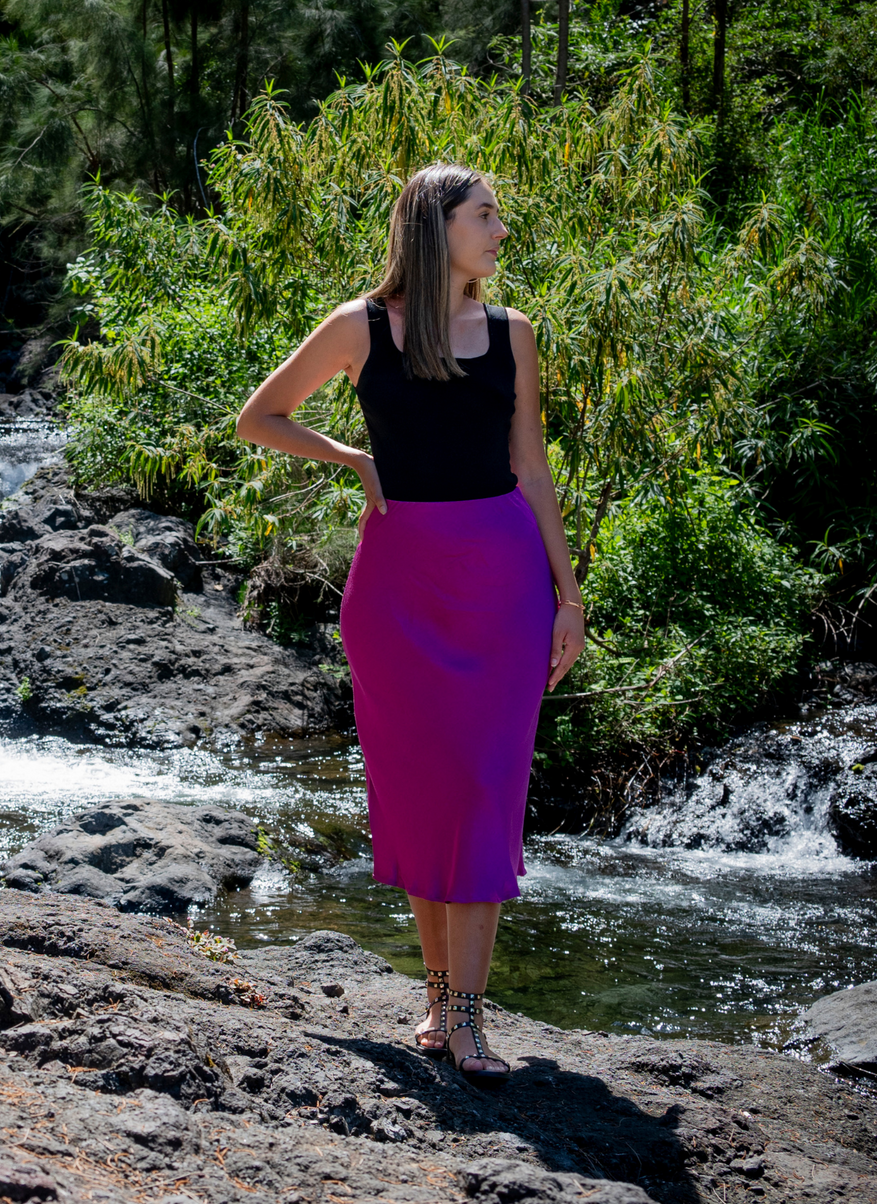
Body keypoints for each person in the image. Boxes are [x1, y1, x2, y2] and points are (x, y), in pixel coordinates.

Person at [235, 163, 585, 1088]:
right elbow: (258, 417)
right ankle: (438, 1002)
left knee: (483, 790)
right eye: (485, 216)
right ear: (435, 225)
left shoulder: (514, 333)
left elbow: (531, 467)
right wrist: (349, 455)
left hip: (501, 578)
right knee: (428, 790)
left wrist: (567, 594)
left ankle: (467, 1020)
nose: (500, 231)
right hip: (396, 587)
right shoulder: (359, 326)